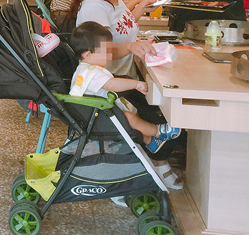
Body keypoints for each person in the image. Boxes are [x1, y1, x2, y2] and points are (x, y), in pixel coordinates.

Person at [70, 22, 182, 154]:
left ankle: (149, 141)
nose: (111, 56)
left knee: (130, 113)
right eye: (106, 52)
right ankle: (158, 132)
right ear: (87, 54)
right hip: (96, 119)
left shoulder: (83, 70)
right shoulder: (91, 73)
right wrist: (136, 84)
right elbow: (112, 84)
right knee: (128, 117)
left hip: (93, 115)